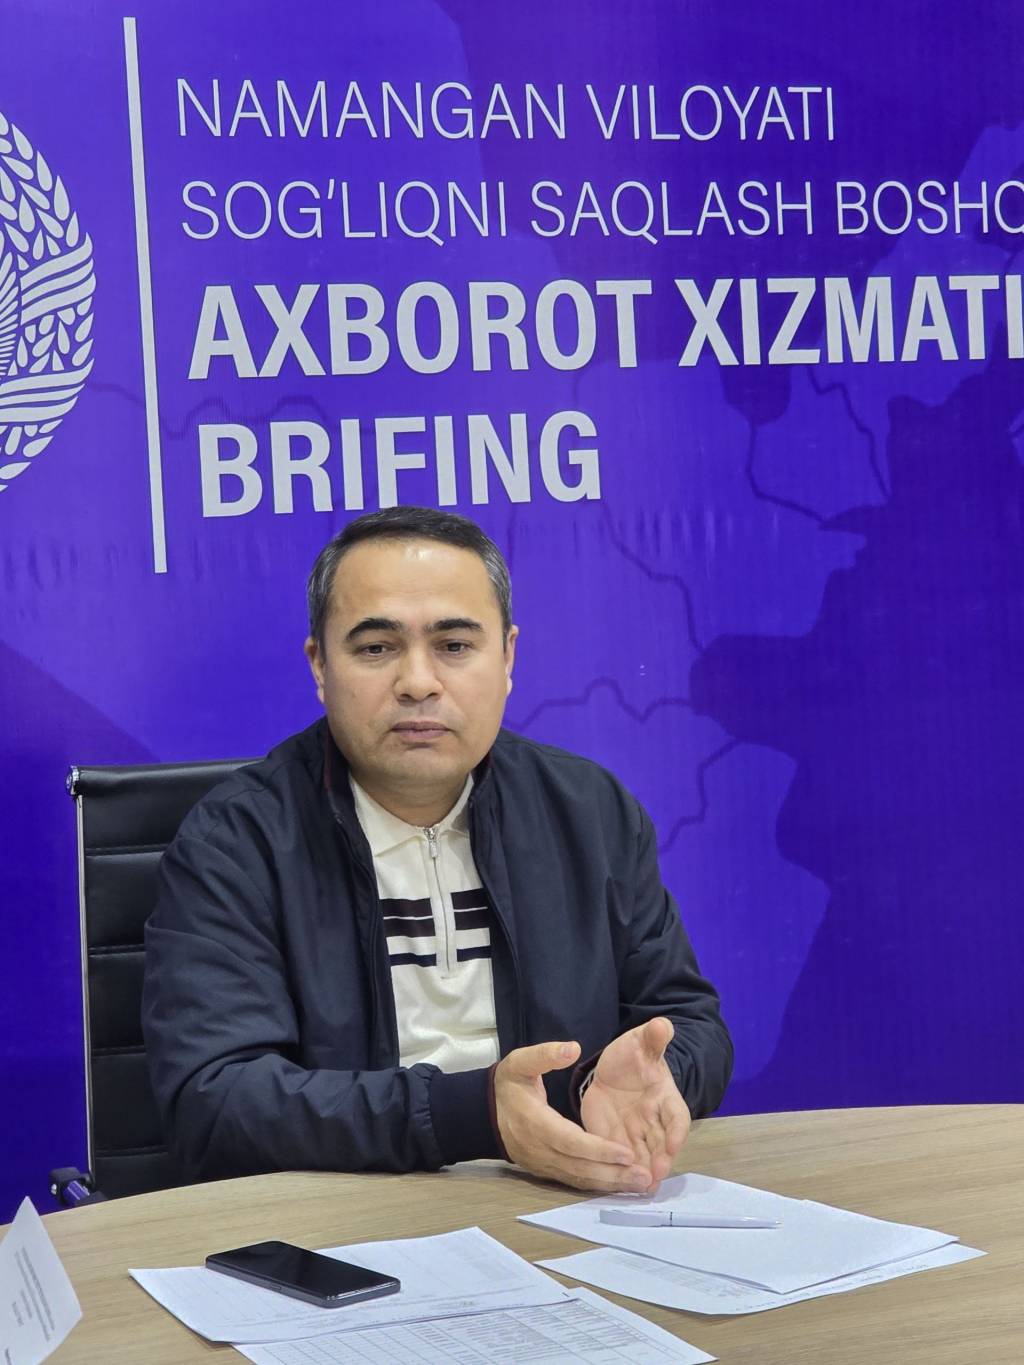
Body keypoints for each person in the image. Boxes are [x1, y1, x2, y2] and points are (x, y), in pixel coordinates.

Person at [143, 507, 732, 1194]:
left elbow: (689, 1024)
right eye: (376, 648)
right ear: (319, 666)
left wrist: (613, 1080)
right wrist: (471, 1115)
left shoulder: (589, 811)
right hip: (345, 1216)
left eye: (454, 645)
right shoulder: (237, 843)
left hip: (557, 1198)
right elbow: (215, 1102)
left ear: (507, 657)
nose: (418, 682)